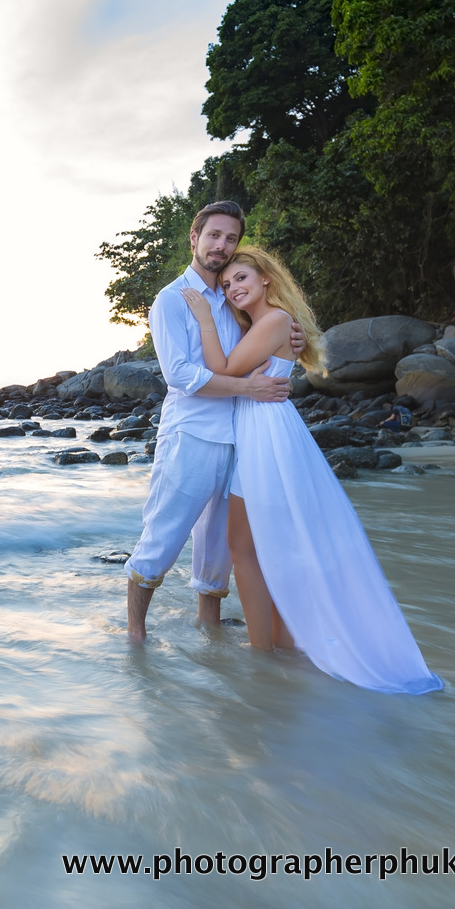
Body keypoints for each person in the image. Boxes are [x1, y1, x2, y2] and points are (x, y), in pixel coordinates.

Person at [182, 245, 442, 695]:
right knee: (254, 544)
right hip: (258, 433)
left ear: (266, 278)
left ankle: (265, 650)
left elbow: (220, 370)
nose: (233, 288)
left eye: (241, 278)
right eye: (226, 285)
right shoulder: (270, 324)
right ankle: (276, 645)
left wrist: (205, 317)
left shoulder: (276, 320)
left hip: (268, 436)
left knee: (250, 545)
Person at [123, 201, 304, 644]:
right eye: (214, 235)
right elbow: (181, 376)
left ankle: (211, 630)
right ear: (194, 238)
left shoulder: (234, 299)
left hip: (241, 436)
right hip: (193, 435)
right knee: (165, 532)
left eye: (230, 238)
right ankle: (134, 637)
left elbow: (264, 340)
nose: (221, 245)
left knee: (218, 547)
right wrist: (248, 389)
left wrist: (290, 338)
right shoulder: (172, 299)